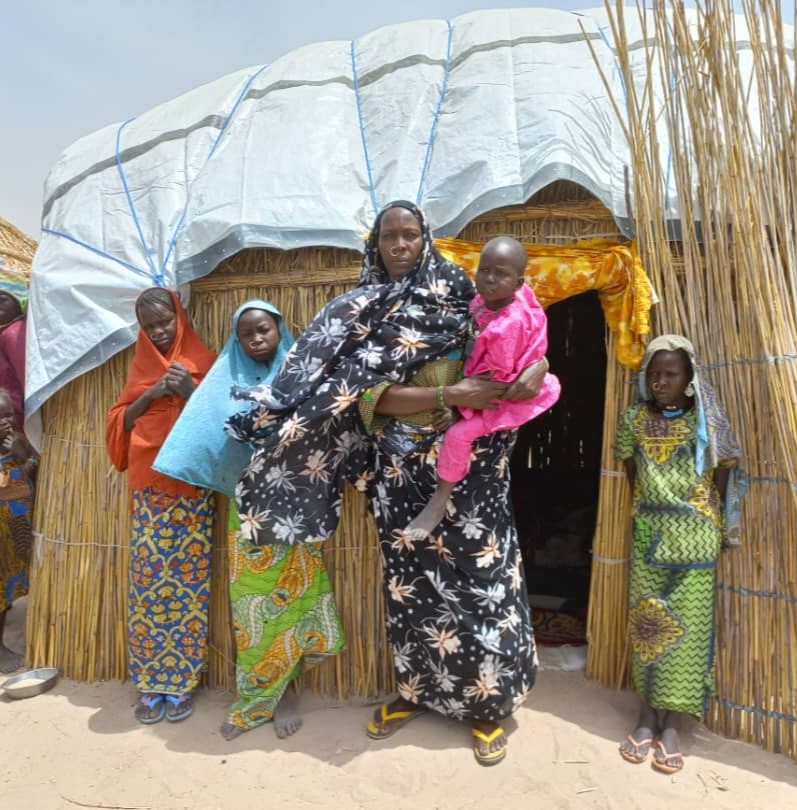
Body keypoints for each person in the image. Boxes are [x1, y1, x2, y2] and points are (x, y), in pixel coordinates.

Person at [228, 200, 545, 766]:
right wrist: (449, 395)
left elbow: (524, 351)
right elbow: (363, 397)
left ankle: (487, 705)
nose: (400, 244)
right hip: (398, 470)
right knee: (411, 586)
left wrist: (535, 371)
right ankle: (419, 691)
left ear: (427, 238)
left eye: (411, 234)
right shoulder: (360, 312)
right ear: (375, 245)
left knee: (479, 579)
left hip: (472, 470)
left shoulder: (462, 296)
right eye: (389, 236)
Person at [155, 300, 344, 740]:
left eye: (264, 329)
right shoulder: (224, 381)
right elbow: (207, 429)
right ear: (237, 340)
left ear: (279, 330)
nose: (257, 338)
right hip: (248, 513)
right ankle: (260, 697)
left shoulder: (303, 375)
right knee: (250, 607)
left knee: (295, 599)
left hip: (296, 507)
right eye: (247, 333)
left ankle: (290, 693)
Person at [615, 335, 742, 774]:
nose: (660, 381)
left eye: (670, 374)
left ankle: (673, 725)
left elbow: (724, 468)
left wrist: (711, 522)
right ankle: (648, 715)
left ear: (689, 379)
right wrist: (656, 512)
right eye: (654, 374)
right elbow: (632, 471)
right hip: (651, 539)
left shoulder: (706, 420)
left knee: (688, 637)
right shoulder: (633, 418)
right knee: (647, 628)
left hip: (697, 545)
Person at [105, 287, 216, 724]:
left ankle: (183, 683)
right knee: (148, 586)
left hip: (191, 489)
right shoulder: (141, 367)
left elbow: (220, 422)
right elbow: (119, 421)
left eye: (165, 321)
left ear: (179, 316)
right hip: (150, 491)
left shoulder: (204, 363)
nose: (160, 331)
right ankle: (152, 684)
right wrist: (150, 395)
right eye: (150, 326)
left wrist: (188, 389)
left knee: (190, 587)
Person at [404, 235, 560, 539]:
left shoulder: (506, 327)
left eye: (500, 274)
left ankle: (440, 498)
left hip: (503, 396)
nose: (489, 279)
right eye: (484, 269)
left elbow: (491, 383)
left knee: (458, 435)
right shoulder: (496, 299)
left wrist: (458, 411)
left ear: (517, 283)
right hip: (490, 385)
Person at [0, 387, 37, 672]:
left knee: (11, 590)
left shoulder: (17, 442)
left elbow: (32, 468)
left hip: (18, 534)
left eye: (9, 415)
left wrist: (23, 457)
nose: (5, 422)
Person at [0, 290, 26, 435]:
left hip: (19, 420)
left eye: (2, 299)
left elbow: (25, 379)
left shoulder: (14, 333)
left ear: (17, 303)